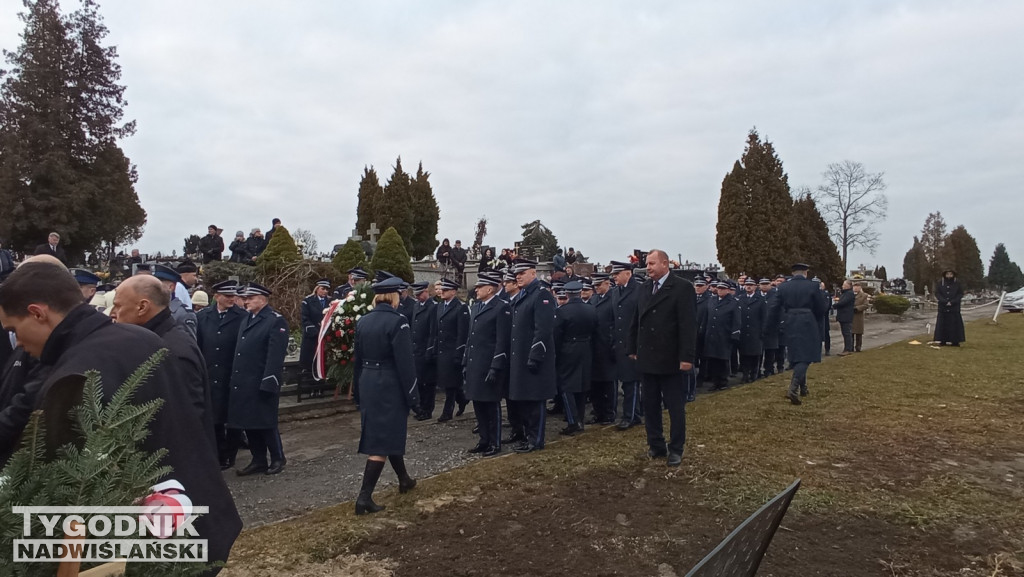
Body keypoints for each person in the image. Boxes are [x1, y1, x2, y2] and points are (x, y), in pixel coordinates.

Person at [0, 260, 241, 565]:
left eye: (14, 329)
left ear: (37, 313)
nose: (17, 342)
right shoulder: (139, 339)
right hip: (194, 522)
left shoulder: (76, 375)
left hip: (148, 549)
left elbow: (61, 483)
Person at [109, 275, 213, 440]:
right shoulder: (153, 341)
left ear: (142, 307)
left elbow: (186, 422)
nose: (112, 314)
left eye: (118, 306)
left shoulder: (172, 352)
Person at [351, 275, 419, 515]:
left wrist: (356, 390)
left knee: (386, 432)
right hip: (389, 383)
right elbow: (405, 363)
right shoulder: (398, 321)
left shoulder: (364, 320)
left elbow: (357, 360)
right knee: (380, 441)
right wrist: (413, 395)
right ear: (394, 296)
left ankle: (404, 479)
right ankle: (364, 497)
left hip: (368, 381)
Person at [627, 249, 697, 467]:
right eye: (647, 264)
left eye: (652, 263)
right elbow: (636, 320)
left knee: (675, 406)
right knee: (650, 405)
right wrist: (632, 346)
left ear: (665, 264)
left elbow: (688, 325)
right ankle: (656, 445)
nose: (648, 268)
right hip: (647, 357)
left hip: (670, 358)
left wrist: (686, 357)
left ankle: (676, 448)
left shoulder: (682, 288)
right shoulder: (645, 288)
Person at [228, 282, 289, 475]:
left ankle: (278, 458)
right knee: (249, 422)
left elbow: (275, 355)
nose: (246, 302)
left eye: (250, 298)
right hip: (244, 380)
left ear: (262, 299)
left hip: (261, 379)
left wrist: (269, 380)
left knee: (266, 423)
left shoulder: (274, 320)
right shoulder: (247, 319)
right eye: (245, 298)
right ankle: (258, 459)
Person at [507, 258, 556, 453]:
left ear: (533, 273)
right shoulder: (523, 296)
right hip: (520, 357)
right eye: (516, 274)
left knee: (535, 401)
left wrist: (535, 356)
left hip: (535, 358)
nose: (518, 276)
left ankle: (536, 440)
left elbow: (543, 329)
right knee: (525, 400)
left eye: (522, 273)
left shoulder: (541, 295)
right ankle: (529, 436)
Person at [196, 280, 246, 469]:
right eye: (227, 296)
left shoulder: (242, 316)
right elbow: (199, 345)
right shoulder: (203, 316)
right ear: (216, 296)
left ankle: (230, 454)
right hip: (211, 373)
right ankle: (217, 453)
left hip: (232, 372)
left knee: (232, 417)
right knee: (214, 417)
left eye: (233, 295)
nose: (232, 299)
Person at [463, 271, 510, 456]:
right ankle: (484, 439)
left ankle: (495, 442)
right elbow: (471, 337)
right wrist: (466, 361)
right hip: (475, 363)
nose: (476, 289)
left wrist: (496, 366)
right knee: (478, 405)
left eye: (480, 286)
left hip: (489, 364)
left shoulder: (501, 308)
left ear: (490, 289)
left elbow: (502, 340)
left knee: (491, 405)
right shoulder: (476, 307)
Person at [767, 263, 828, 405]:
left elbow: (773, 308)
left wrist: (771, 326)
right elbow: (821, 307)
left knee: (797, 353)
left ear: (793, 273)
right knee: (806, 357)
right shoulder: (812, 286)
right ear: (805, 272)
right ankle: (793, 389)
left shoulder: (782, 287)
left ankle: (803, 388)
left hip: (789, 321)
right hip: (807, 320)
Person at [553, 280, 597, 436]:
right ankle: (580, 419)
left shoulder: (562, 311)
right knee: (582, 386)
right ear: (579, 292)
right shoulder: (591, 309)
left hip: (568, 349)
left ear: (567, 294)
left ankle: (573, 421)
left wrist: (556, 353)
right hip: (586, 348)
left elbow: (557, 335)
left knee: (566, 386)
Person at [610, 260, 642, 429]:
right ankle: (633, 414)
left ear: (628, 273)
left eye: (617, 274)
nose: (614, 277)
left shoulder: (639, 290)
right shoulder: (615, 292)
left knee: (632, 381)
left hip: (634, 343)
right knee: (626, 380)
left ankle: (630, 416)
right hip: (620, 343)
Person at [434, 277, 469, 422]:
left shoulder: (460, 307)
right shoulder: (440, 306)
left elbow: (462, 333)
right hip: (442, 349)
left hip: (453, 349)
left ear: (453, 292)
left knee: (450, 383)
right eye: (442, 289)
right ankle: (463, 399)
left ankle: (447, 412)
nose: (442, 292)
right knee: (449, 382)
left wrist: (459, 352)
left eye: (446, 290)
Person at [588, 272, 617, 425]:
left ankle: (609, 413)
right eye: (595, 285)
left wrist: (614, 344)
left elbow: (615, 323)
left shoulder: (614, 298)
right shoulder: (593, 299)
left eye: (599, 284)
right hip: (594, 347)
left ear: (607, 283)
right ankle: (598, 412)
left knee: (608, 382)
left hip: (607, 346)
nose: (596, 288)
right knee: (595, 384)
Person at [703, 281, 740, 391]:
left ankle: (723, 381)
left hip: (724, 334)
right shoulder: (712, 300)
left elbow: (737, 320)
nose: (720, 290)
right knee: (712, 359)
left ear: (728, 290)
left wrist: (735, 334)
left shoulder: (733, 302)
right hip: (711, 334)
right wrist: (703, 330)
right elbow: (707, 316)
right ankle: (715, 381)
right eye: (719, 288)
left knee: (722, 359)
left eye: (723, 288)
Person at [409, 281, 438, 420]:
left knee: (428, 383)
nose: (418, 297)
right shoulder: (416, 305)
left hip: (426, 348)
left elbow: (433, 331)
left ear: (426, 292)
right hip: (416, 348)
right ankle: (420, 408)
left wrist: (430, 349)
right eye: (416, 295)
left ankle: (427, 410)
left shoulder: (432, 307)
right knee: (419, 380)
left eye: (420, 294)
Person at [300, 279, 333, 396]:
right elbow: (305, 318)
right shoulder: (308, 301)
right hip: (312, 337)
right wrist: (316, 331)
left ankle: (321, 387)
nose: (324, 291)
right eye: (322, 288)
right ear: (317, 288)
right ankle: (311, 388)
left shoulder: (331, 301)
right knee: (311, 363)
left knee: (323, 362)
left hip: (325, 337)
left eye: (326, 289)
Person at [151, 264, 197, 338]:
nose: (153, 289)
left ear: (171, 287)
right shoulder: (152, 308)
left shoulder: (183, 314)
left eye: (157, 285)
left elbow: (188, 345)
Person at [738, 278, 766, 383]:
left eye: (751, 284)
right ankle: (745, 374)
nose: (748, 286)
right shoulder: (740, 298)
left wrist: (762, 331)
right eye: (747, 284)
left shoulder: (760, 299)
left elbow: (764, 317)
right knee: (743, 354)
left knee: (755, 354)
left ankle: (754, 374)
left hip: (755, 331)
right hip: (744, 331)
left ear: (755, 286)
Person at [934, 270, 965, 346]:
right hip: (943, 307)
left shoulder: (957, 283)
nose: (949, 275)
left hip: (954, 308)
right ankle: (943, 340)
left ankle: (955, 341)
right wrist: (944, 301)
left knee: (954, 325)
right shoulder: (940, 283)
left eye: (951, 274)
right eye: (947, 274)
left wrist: (952, 302)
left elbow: (960, 293)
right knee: (943, 325)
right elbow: (937, 293)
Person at [834, 280, 856, 356]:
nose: (842, 286)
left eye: (844, 284)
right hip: (843, 316)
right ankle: (847, 348)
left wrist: (834, 305)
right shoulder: (845, 293)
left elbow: (843, 303)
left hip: (846, 316)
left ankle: (848, 349)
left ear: (848, 286)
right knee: (845, 333)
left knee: (847, 333)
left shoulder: (849, 294)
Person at [852, 282, 870, 352]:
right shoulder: (850, 295)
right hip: (851, 316)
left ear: (860, 287)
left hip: (858, 316)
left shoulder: (864, 295)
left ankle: (858, 347)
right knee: (851, 333)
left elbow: (866, 305)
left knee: (858, 333)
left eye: (857, 286)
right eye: (854, 286)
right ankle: (850, 347)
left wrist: (857, 308)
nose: (855, 288)